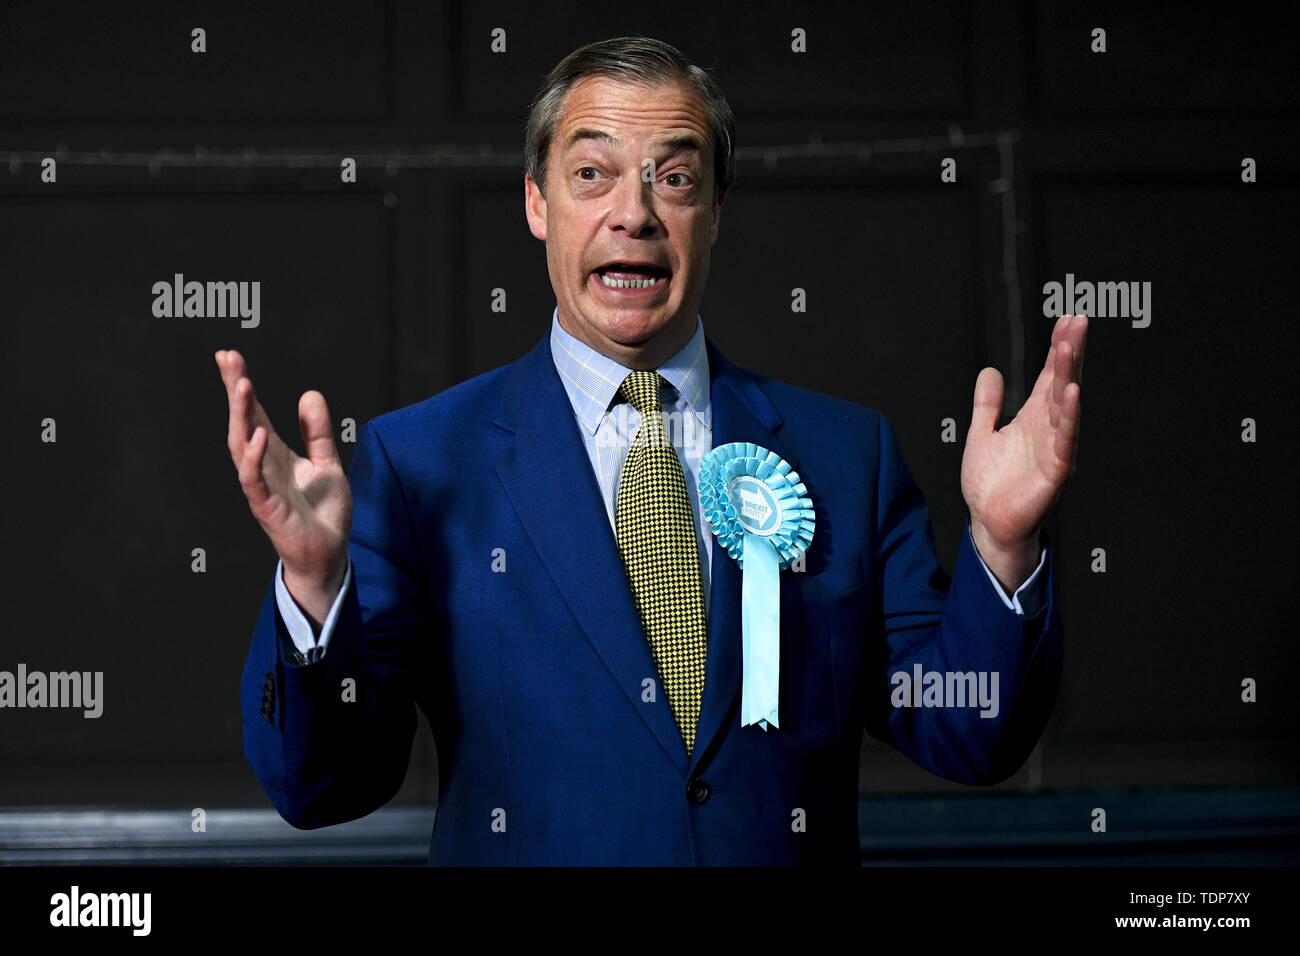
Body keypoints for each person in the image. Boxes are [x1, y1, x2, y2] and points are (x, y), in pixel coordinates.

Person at [215, 36, 1085, 865]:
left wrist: (1003, 549)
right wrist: (314, 589)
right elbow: (322, 783)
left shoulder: (846, 455)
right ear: (535, 202)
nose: (632, 214)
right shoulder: (424, 463)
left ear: (716, 211)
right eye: (591, 174)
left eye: (673, 178)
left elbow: (970, 733)